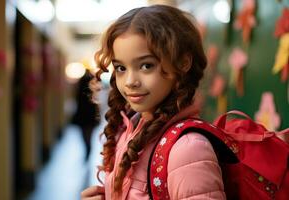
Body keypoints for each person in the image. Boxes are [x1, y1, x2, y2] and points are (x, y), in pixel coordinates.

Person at [81, 4, 225, 200]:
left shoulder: (189, 148)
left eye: (146, 65)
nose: (131, 81)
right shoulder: (131, 129)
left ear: (182, 63)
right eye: (121, 68)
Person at [71, 69, 100, 161]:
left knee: (84, 135)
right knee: (89, 135)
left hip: (82, 115)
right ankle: (88, 148)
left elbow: (76, 101)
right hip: (91, 116)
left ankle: (87, 149)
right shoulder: (93, 90)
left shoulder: (80, 88)